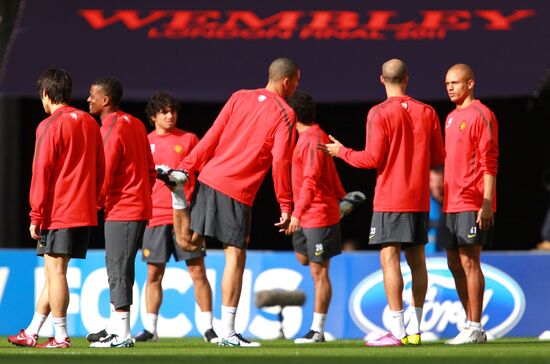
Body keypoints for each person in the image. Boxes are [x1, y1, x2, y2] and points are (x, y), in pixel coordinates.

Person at [168, 57, 300, 347]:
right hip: (237, 190)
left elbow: (212, 135)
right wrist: (285, 204)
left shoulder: (239, 96)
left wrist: (186, 167)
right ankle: (228, 332)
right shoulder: (286, 113)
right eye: (296, 82)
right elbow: (280, 161)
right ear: (287, 82)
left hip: (209, 178)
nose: (296, 88)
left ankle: (178, 195)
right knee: (235, 257)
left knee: (189, 242)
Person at [323, 59, 445, 346]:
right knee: (418, 262)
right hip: (418, 198)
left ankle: (398, 331)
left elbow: (372, 159)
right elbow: (439, 158)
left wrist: (341, 152)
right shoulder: (427, 111)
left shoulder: (378, 113)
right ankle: (415, 330)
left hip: (391, 198)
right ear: (407, 78)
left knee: (389, 260)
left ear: (381, 79)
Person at [8, 69, 105, 348]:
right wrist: (94, 203)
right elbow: (101, 167)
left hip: (58, 210)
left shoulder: (49, 125)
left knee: (56, 272)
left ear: (47, 94)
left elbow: (42, 171)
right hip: (82, 210)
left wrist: (35, 214)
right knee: (56, 271)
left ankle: (61, 336)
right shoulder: (89, 122)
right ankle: (32, 330)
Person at [133, 91, 218, 343]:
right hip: (155, 218)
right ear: (153, 117)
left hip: (186, 217)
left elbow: (206, 175)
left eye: (173, 111)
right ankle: (150, 329)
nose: (170, 116)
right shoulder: (144, 141)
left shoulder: (190, 139)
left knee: (198, 273)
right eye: (164, 112)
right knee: (153, 275)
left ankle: (208, 328)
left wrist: (202, 210)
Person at [85, 78, 156, 348]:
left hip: (123, 208)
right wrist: (142, 195)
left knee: (118, 268)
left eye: (93, 95)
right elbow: (150, 169)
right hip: (136, 205)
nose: (88, 99)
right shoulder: (136, 123)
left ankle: (122, 334)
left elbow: (105, 173)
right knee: (122, 267)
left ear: (106, 100)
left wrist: (94, 204)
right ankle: (116, 325)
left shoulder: (110, 128)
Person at [281, 91, 346, 344]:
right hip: (306, 214)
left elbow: (311, 179)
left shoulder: (311, 140)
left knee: (319, 272)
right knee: (303, 260)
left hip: (317, 214)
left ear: (293, 115)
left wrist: (296, 214)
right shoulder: (308, 137)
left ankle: (317, 330)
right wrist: (342, 195)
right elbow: (328, 172)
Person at [441, 64, 499, 345]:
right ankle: (469, 325)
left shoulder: (482, 114)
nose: (450, 87)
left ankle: (476, 326)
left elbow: (489, 161)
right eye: (447, 83)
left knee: (469, 262)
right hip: (450, 203)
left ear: (471, 83)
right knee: (454, 263)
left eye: (456, 82)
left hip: (472, 200)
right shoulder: (451, 118)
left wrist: (486, 203)